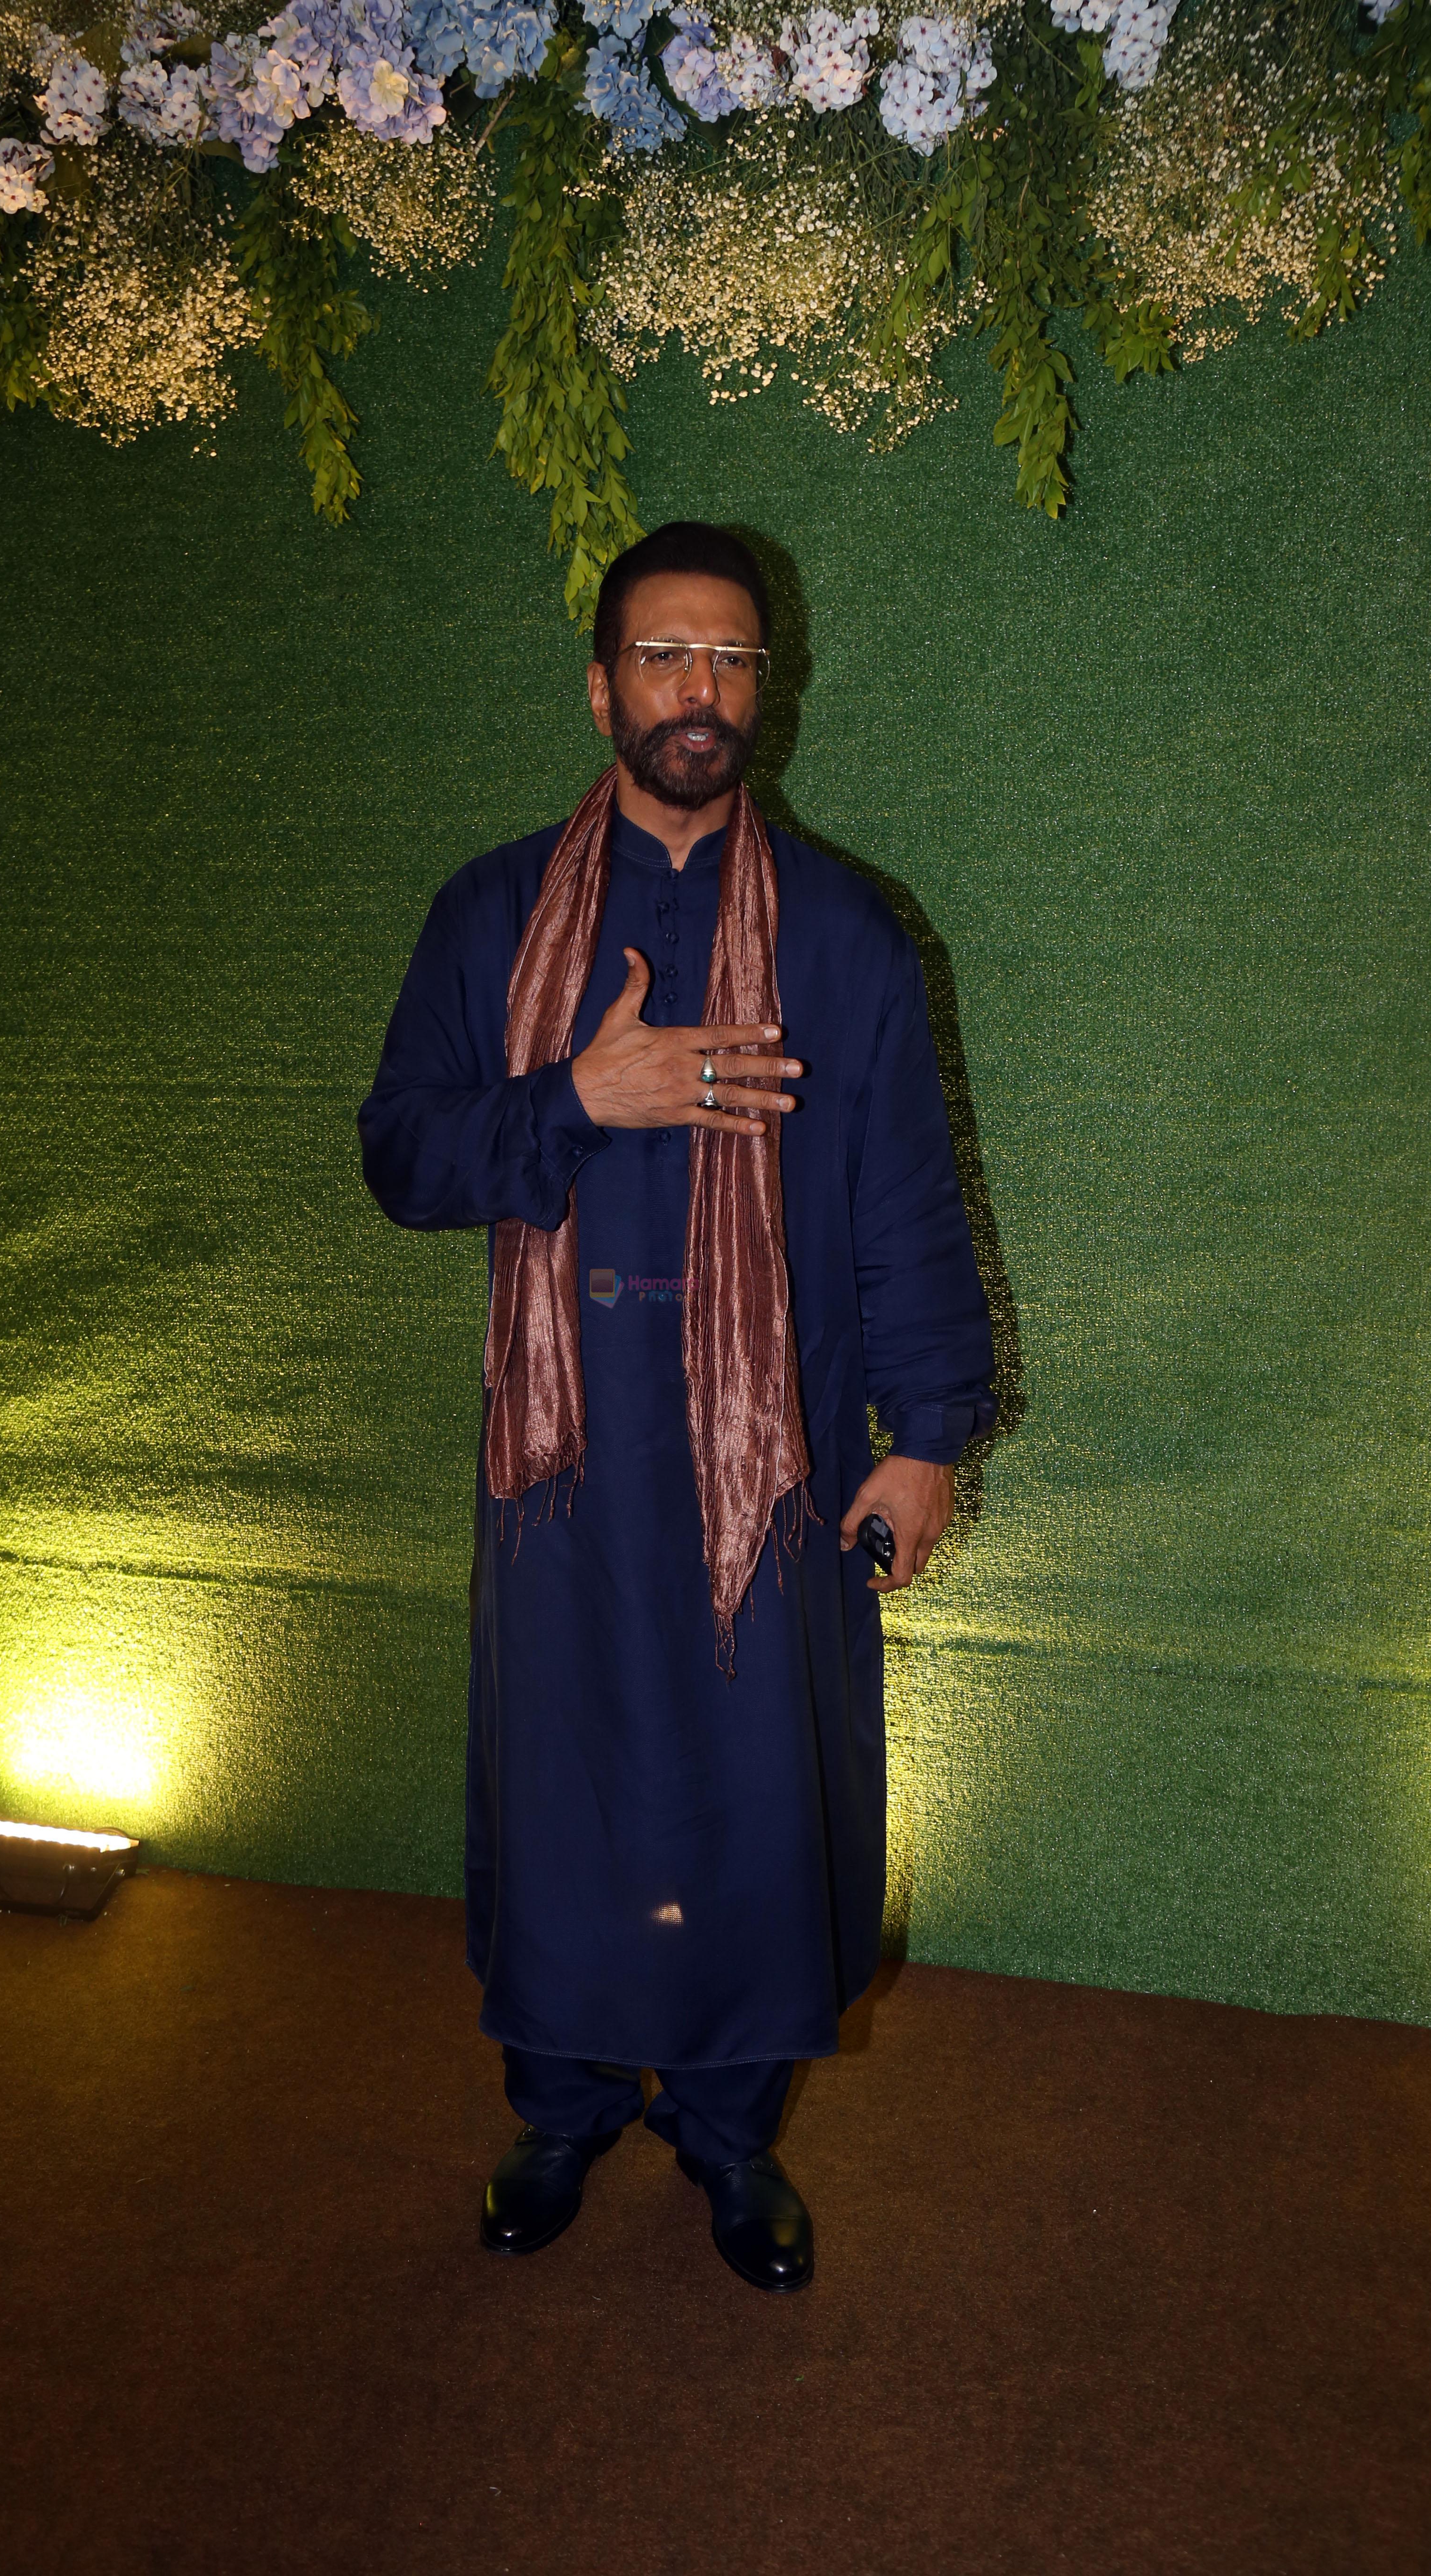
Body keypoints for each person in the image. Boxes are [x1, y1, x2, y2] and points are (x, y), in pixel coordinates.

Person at [358, 522, 996, 2294]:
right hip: (560, 1473)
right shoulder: (490, 916)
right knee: (564, 1797)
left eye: (729, 660)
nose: (698, 691)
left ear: (761, 693)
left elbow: (906, 1206)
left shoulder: (851, 936)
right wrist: (580, 1092)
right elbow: (404, 1156)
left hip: (769, 1460)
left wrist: (926, 1430)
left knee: (749, 1798)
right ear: (601, 687)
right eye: (664, 657)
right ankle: (558, 2109)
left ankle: (729, 2141)